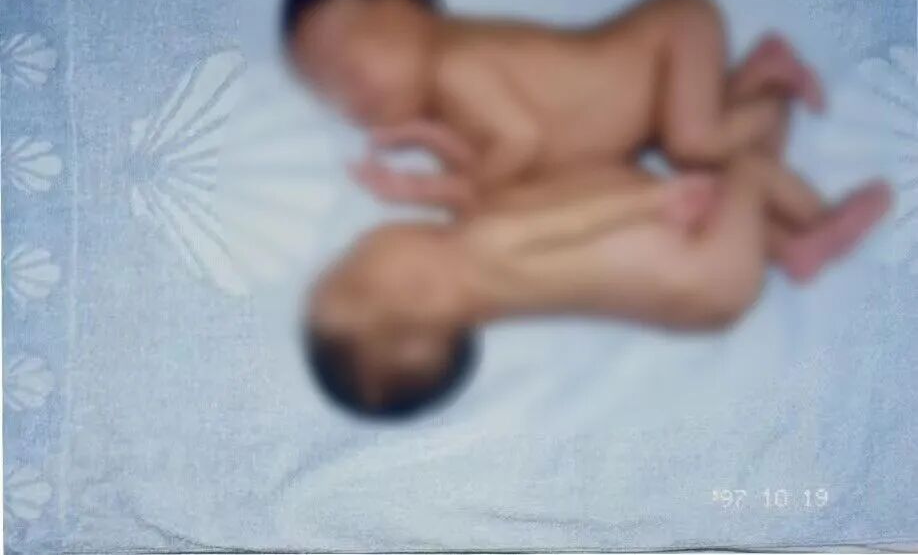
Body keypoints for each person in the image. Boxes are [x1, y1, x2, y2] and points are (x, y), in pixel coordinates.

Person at [304, 157, 890, 419]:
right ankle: (815, 236)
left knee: (736, 211)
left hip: (703, 293)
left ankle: (779, 245)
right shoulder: (484, 244)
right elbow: (570, 222)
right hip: (706, 267)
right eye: (355, 269)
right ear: (420, 291)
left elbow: (495, 198)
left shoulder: (492, 299)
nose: (358, 244)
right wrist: (654, 199)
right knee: (748, 169)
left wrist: (412, 187)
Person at [281, 0, 824, 211]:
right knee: (712, 169)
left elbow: (522, 142)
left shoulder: (455, 62)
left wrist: (433, 189)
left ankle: (770, 93)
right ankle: (753, 80)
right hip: (657, 101)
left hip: (670, 35)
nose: (347, 95)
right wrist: (426, 148)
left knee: (693, 143)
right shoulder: (447, 114)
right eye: (327, 93)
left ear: (404, 8)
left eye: (347, 64)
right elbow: (515, 187)